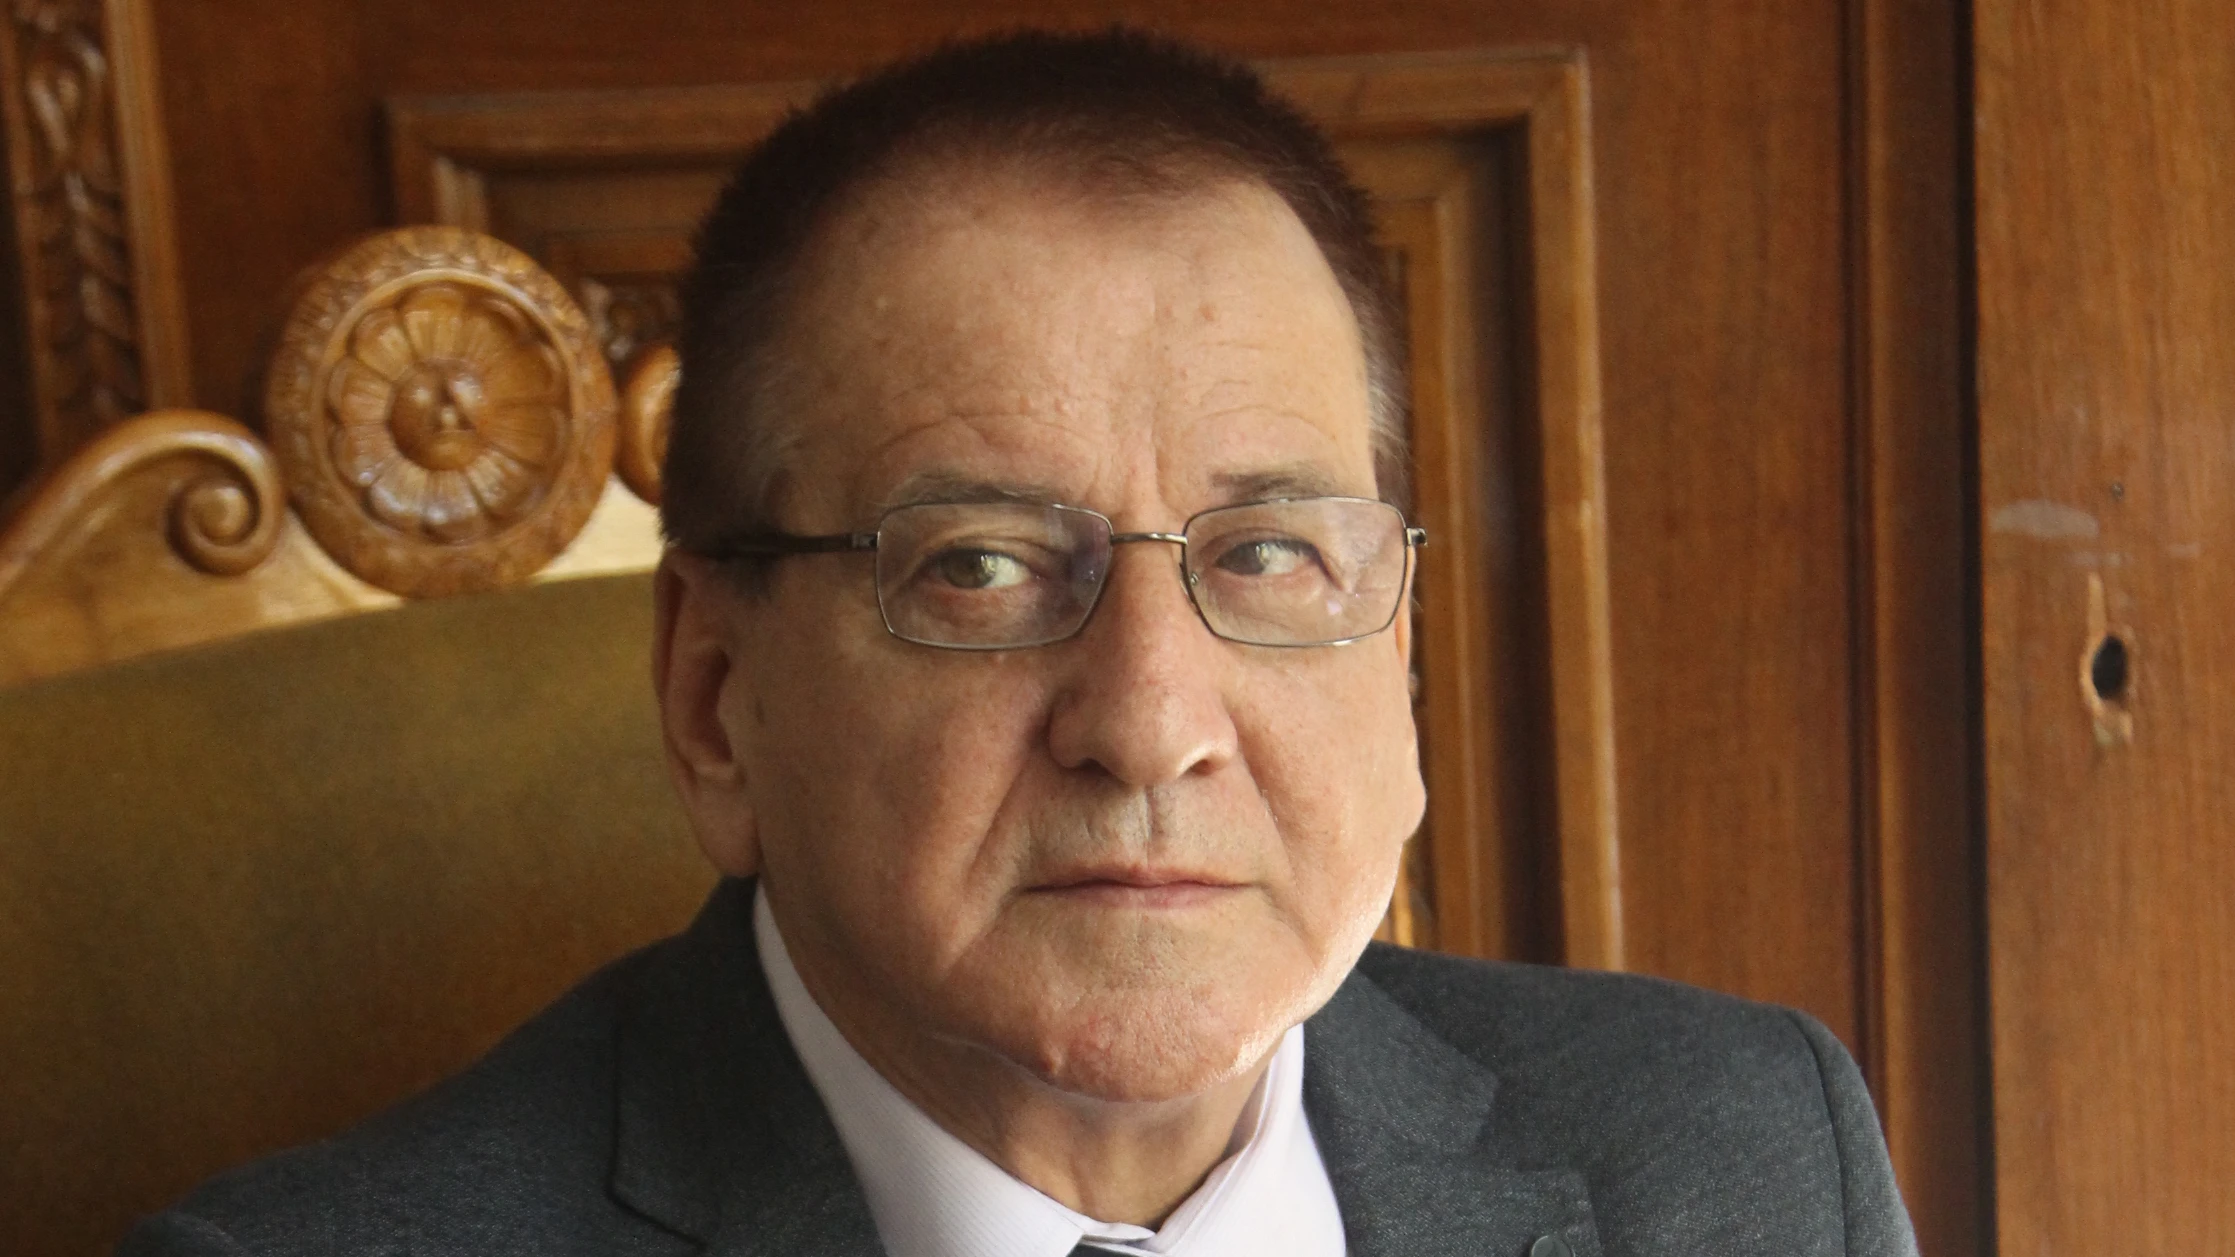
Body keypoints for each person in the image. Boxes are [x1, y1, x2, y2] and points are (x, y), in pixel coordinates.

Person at [121, 28, 1916, 1257]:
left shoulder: (1744, 1159)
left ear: (1400, 666)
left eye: (1267, 553)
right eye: (978, 567)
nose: (1149, 721)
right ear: (715, 704)